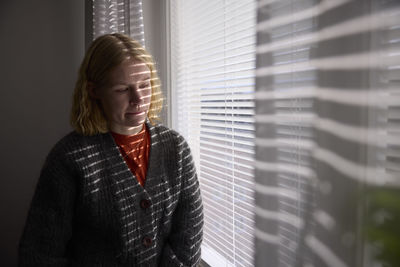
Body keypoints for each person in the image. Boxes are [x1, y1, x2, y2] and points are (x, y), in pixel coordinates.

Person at [18, 33, 204, 267]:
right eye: (122, 89)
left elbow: (190, 233)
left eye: (145, 85)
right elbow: (40, 254)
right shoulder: (69, 159)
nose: (139, 99)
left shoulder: (175, 149)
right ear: (94, 91)